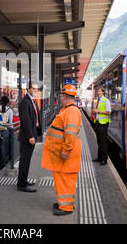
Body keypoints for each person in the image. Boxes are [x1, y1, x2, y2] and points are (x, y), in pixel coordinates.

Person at [41, 84, 82, 216]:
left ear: (65, 96)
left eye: (61, 96)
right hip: (60, 153)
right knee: (61, 179)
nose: (60, 99)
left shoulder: (72, 111)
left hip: (66, 154)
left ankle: (66, 207)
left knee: (66, 180)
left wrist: (66, 150)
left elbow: (70, 134)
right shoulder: (68, 110)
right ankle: (63, 202)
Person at [17, 81, 41, 192]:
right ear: (28, 89)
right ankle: (21, 184)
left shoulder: (32, 101)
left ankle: (24, 180)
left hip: (32, 134)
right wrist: (30, 136)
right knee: (24, 160)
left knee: (27, 160)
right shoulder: (25, 102)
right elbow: (25, 121)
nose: (36, 90)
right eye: (34, 88)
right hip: (28, 137)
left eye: (37, 89)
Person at [92, 87, 112, 165]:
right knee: (99, 141)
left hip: (103, 124)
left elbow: (109, 112)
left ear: (103, 92)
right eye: (97, 91)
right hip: (98, 122)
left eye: (100, 91)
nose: (98, 92)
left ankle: (104, 159)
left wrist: (98, 111)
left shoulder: (106, 101)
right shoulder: (99, 101)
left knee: (103, 142)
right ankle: (99, 157)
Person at [0, 96, 13, 164]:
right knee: (5, 145)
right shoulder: (9, 110)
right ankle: (4, 159)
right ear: (7, 102)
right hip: (5, 129)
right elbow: (10, 122)